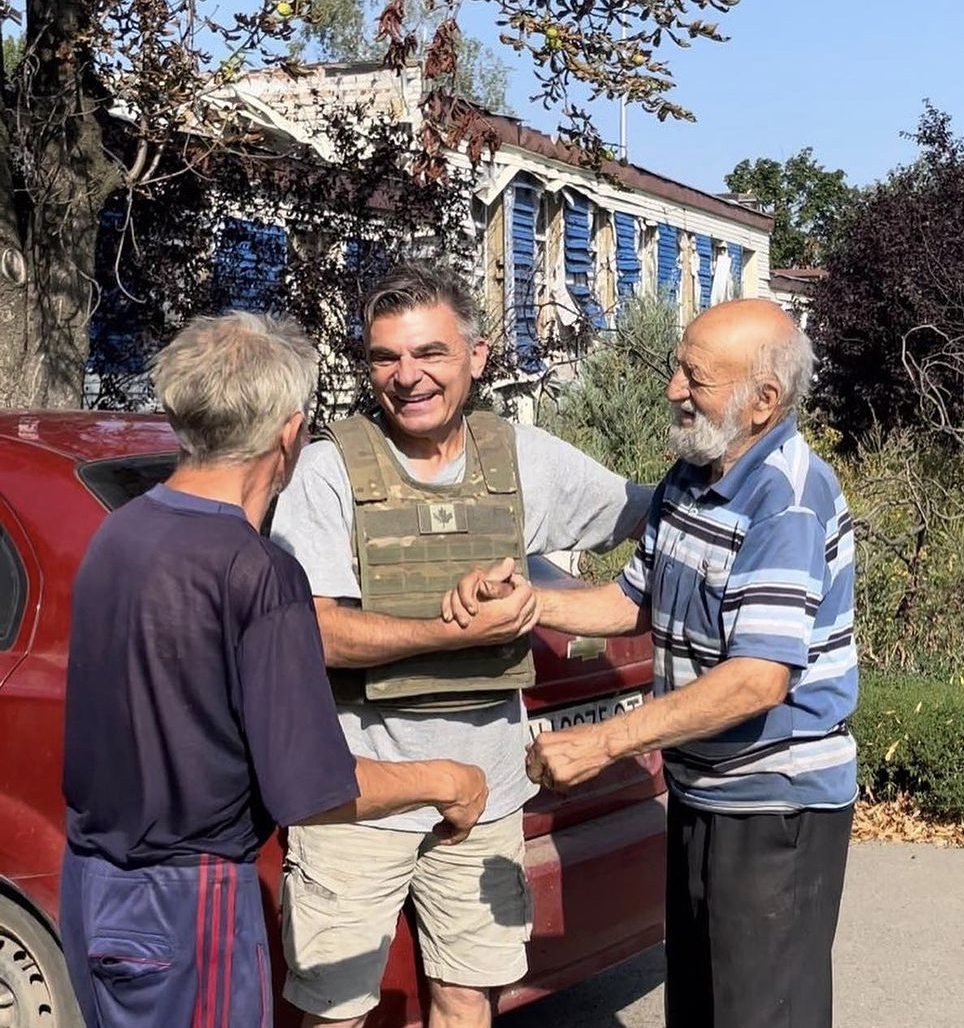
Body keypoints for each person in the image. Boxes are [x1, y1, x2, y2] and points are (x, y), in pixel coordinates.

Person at [59, 311, 488, 1028]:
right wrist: (448, 779)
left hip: (91, 884)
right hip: (186, 900)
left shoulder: (120, 530)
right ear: (289, 434)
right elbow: (311, 787)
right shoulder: (256, 571)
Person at [456, 298, 858, 1028]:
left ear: (763, 401)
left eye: (695, 376)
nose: (674, 388)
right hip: (702, 791)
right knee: (699, 1007)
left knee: (760, 1014)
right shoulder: (692, 474)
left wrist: (603, 742)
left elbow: (758, 678)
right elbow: (631, 601)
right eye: (678, 367)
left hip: (774, 807)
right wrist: (529, 601)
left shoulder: (787, 501)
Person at [269, 262, 653, 1028]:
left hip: (489, 793)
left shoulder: (522, 457)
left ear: (476, 357)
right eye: (386, 357)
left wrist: (743, 471)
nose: (407, 376)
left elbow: (645, 510)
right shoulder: (327, 470)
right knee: (335, 1013)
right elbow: (312, 632)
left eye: (429, 353)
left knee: (467, 998)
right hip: (360, 796)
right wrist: (448, 631)